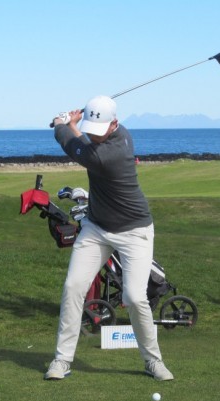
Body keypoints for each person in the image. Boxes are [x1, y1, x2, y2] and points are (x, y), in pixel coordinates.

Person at [45, 95, 173, 381]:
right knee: (73, 286)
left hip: (135, 230)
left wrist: (61, 125)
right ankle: (62, 360)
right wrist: (74, 124)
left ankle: (153, 361)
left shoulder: (112, 152)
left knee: (134, 297)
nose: (94, 135)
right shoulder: (109, 138)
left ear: (115, 124)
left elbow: (75, 147)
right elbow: (85, 142)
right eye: (91, 130)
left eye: (99, 131)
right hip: (97, 228)